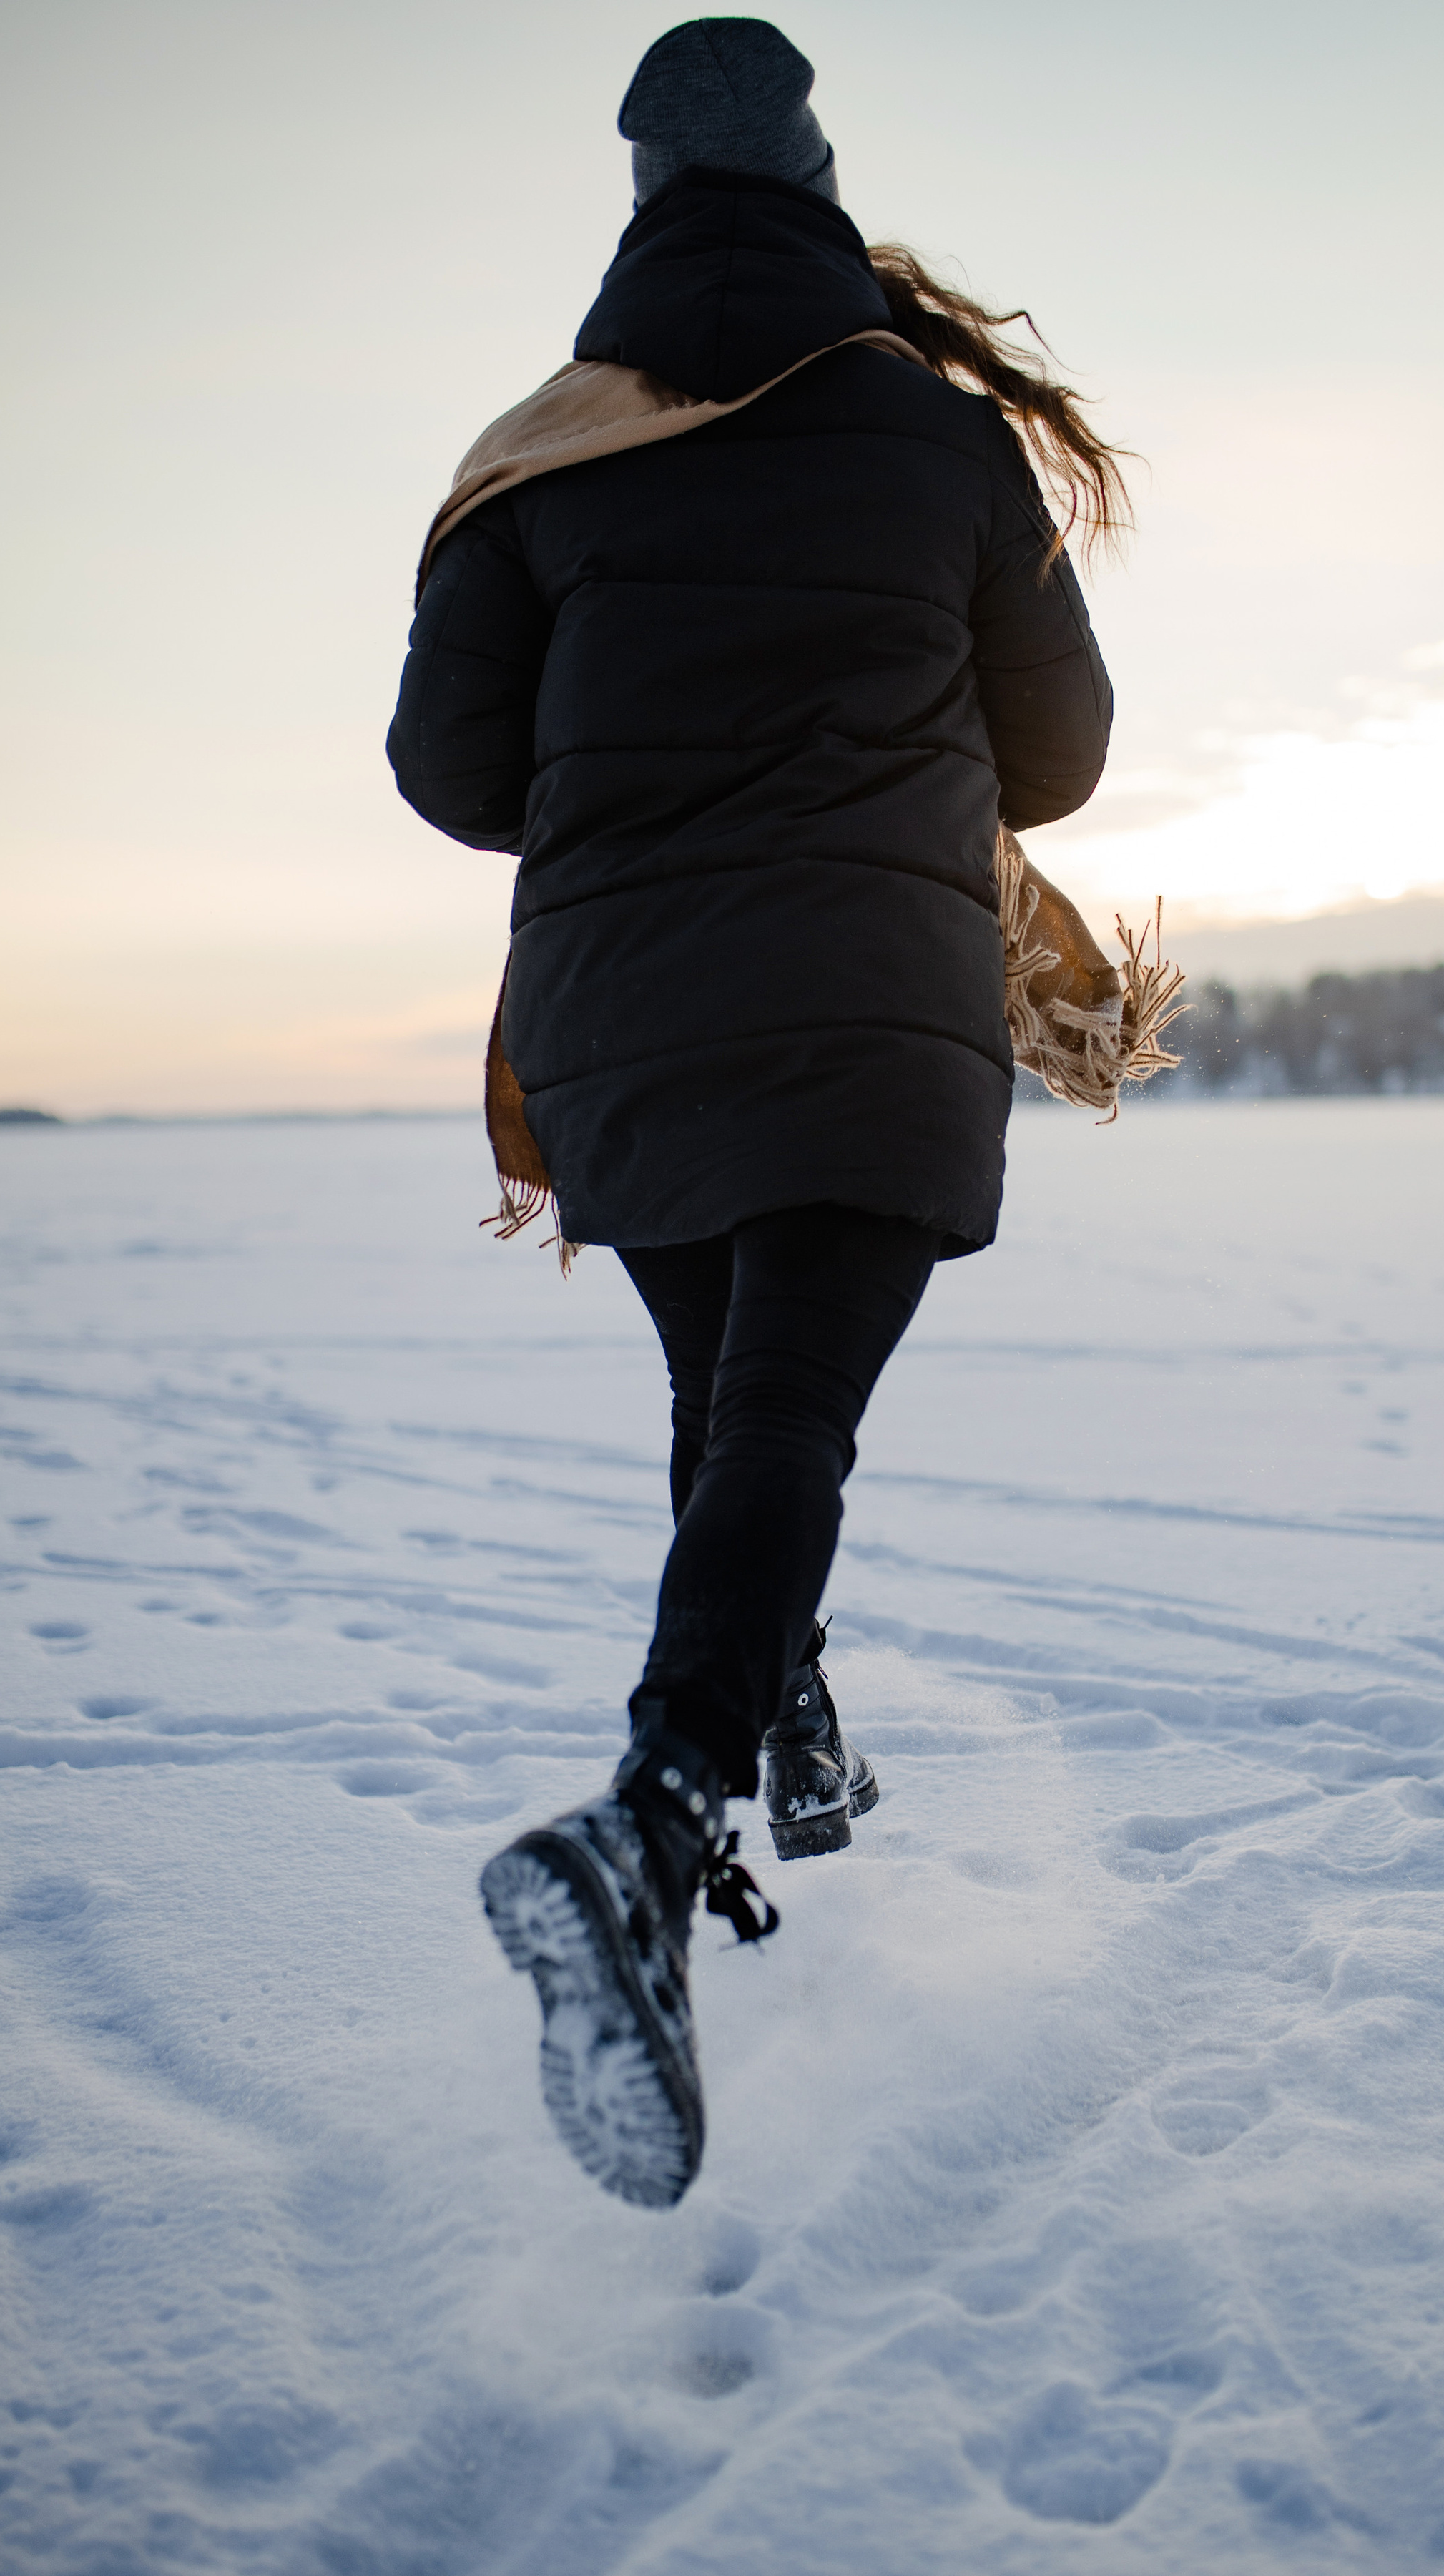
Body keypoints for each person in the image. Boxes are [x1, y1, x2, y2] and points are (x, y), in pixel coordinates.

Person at [388, 16, 1122, 2209]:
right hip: (870, 1001)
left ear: (639, 204)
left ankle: (782, 1719)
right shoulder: (937, 436)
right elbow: (1062, 752)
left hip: (621, 1024)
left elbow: (455, 777)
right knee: (789, 1407)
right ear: (816, 183)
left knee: (740, 1399)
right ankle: (658, 1816)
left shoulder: (538, 456)